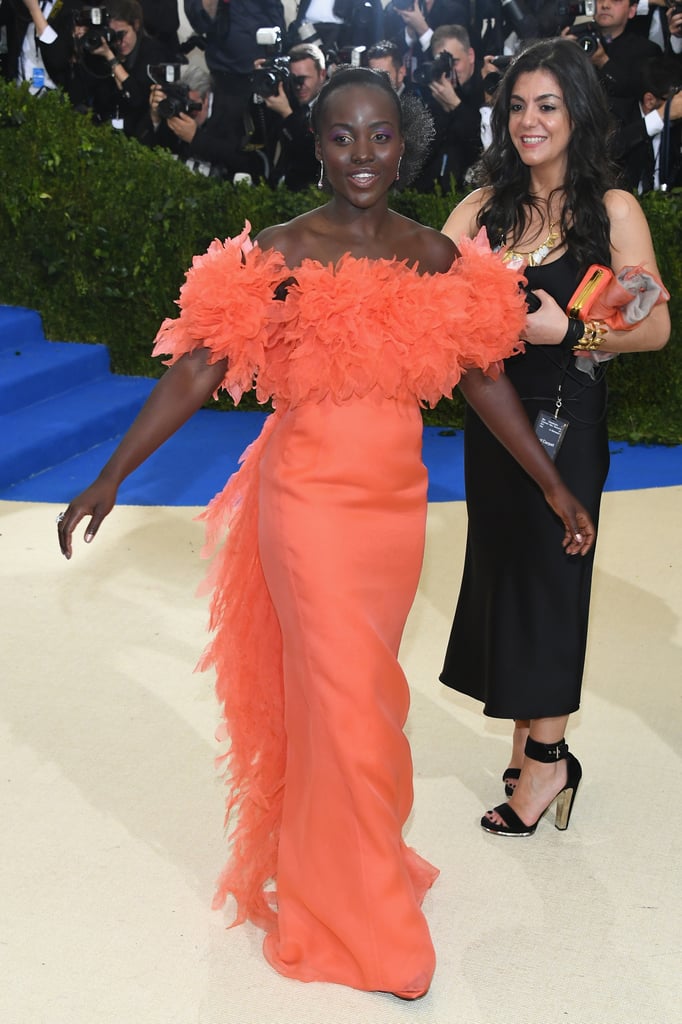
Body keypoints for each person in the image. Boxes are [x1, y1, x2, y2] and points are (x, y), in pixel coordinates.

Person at [57, 66, 595, 996]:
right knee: (344, 700)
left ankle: (347, 863)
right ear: (317, 144)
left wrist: (553, 485)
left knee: (366, 696)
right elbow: (196, 368)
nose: (361, 154)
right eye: (342, 136)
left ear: (404, 142)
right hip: (304, 503)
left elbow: (482, 379)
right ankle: (368, 921)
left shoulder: (433, 254)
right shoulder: (279, 249)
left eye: (380, 135)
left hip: (393, 509)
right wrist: (111, 475)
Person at [439, 37, 670, 838]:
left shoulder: (612, 212)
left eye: (547, 105)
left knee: (552, 579)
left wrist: (566, 328)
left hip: (567, 421)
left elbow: (654, 329)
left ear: (576, 113)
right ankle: (527, 739)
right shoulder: (480, 209)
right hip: (492, 421)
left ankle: (548, 764)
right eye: (517, 106)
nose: (530, 122)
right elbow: (426, 301)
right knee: (505, 571)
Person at [137, 64, 268, 182]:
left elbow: (246, 161)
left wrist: (196, 138)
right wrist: (155, 117)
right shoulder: (173, 109)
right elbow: (144, 152)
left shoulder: (234, 111)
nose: (186, 114)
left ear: (206, 98)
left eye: (192, 109)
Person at [412, 23, 484, 190]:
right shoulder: (434, 91)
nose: (450, 70)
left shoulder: (489, 85)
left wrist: (455, 106)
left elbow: (485, 144)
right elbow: (422, 154)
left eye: (455, 62)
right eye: (443, 64)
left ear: (471, 55)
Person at [255, 41, 327, 189]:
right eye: (294, 80)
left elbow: (313, 155)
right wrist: (263, 80)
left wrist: (287, 114)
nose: (299, 86)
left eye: (303, 79)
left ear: (322, 74)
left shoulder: (333, 105)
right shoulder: (290, 100)